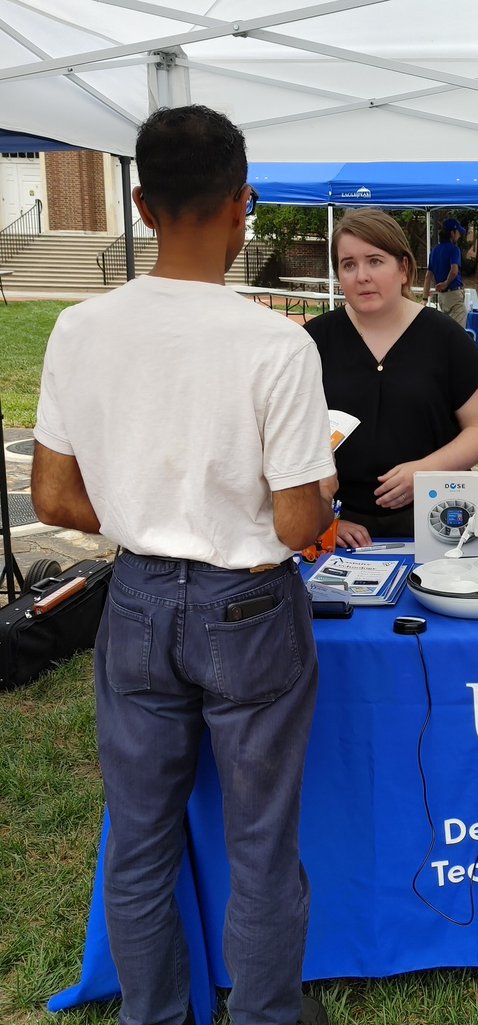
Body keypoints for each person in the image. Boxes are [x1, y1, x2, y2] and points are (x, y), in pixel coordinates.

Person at [30, 105, 335, 1025]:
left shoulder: (79, 329)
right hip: (246, 603)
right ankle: (266, 1014)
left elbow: (52, 499)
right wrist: (319, 490)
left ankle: (153, 1013)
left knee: (139, 843)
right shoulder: (277, 342)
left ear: (141, 204)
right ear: (243, 203)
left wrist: (147, 510)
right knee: (261, 844)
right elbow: (295, 519)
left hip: (135, 595)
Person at [306, 209, 478, 547]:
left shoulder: (444, 338)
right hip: (345, 526)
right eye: (348, 264)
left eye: (375, 261)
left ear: (403, 268)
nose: (362, 276)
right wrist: (325, 517)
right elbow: (286, 438)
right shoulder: (314, 341)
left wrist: (425, 472)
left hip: (439, 521)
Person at [423, 217, 468, 327]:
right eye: (458, 232)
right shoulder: (454, 249)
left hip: (442, 298)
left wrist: (424, 298)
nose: (459, 235)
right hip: (454, 294)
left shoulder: (434, 251)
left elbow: (428, 276)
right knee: (458, 333)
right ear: (452, 233)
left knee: (446, 329)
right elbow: (454, 271)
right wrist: (446, 283)